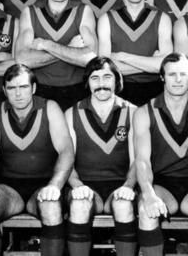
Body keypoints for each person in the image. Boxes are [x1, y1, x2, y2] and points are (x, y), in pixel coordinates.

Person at [0, 64, 74, 256]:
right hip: (10, 188)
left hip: (43, 185)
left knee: (51, 208)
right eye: (11, 88)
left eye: (23, 87)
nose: (18, 94)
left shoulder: (49, 107)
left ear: (33, 88)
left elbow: (66, 150)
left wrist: (55, 185)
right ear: (4, 90)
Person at [134, 53, 188, 256]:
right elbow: (142, 160)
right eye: (172, 74)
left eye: (183, 74)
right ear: (162, 77)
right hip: (162, 184)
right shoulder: (144, 111)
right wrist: (148, 195)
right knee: (146, 210)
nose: (178, 79)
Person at [65, 56, 137, 256]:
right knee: (79, 205)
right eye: (95, 78)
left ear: (117, 80)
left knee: (123, 205)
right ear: (87, 83)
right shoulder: (71, 113)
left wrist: (128, 187)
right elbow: (65, 160)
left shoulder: (133, 112)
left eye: (107, 77)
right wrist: (77, 185)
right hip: (86, 184)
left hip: (121, 185)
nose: (101, 84)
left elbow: (138, 160)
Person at [15, 0, 97, 110]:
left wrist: (47, 45)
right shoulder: (30, 11)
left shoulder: (83, 11)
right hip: (40, 91)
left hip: (77, 90)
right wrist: (69, 48)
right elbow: (22, 59)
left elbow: (90, 58)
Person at [97, 0, 173, 106]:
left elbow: (165, 66)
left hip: (155, 91)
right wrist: (151, 64)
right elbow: (106, 69)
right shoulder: (107, 19)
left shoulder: (162, 18)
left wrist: (122, 57)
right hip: (119, 92)